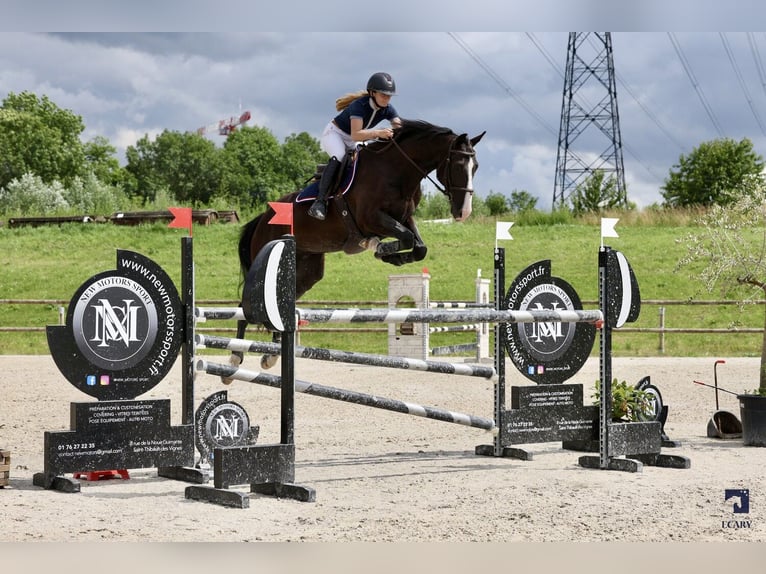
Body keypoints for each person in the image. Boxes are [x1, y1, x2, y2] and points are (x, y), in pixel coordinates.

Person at [308, 72, 402, 220]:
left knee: (364, 161)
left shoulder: (388, 109)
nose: (386, 98)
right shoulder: (359, 106)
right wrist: (378, 133)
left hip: (353, 138)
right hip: (335, 134)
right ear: (372, 93)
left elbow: (399, 126)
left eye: (389, 95)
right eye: (383, 94)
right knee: (339, 156)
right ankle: (319, 203)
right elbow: (356, 135)